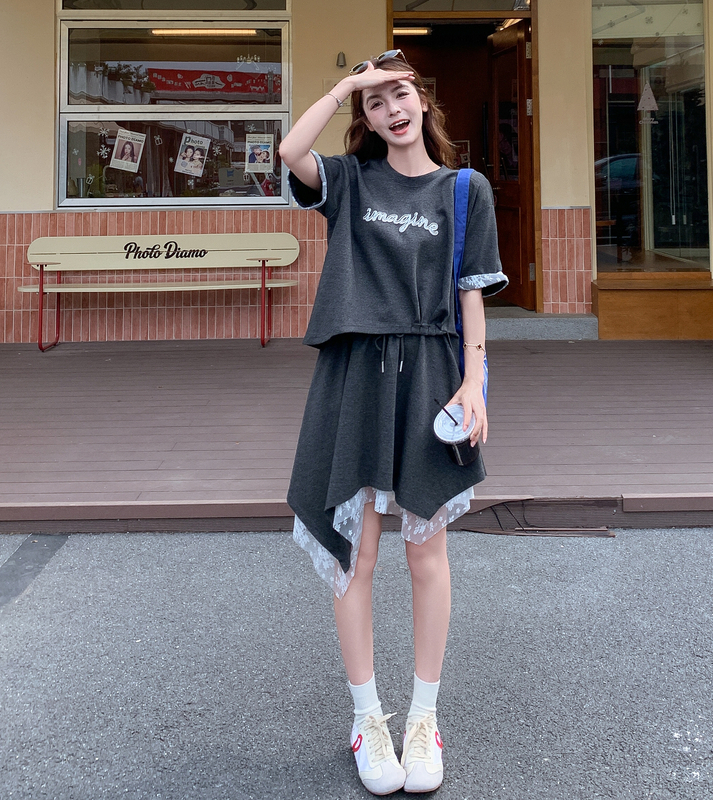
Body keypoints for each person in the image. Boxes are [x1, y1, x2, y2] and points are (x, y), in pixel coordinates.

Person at [278, 50, 506, 796]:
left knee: (426, 554)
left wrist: (474, 384)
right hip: (354, 376)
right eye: (374, 104)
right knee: (357, 554)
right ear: (368, 120)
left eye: (399, 94)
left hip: (431, 374)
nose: (391, 110)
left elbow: (471, 294)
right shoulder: (350, 182)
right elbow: (291, 150)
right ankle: (367, 719)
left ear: (422, 101)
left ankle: (423, 720)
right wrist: (346, 84)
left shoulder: (465, 190)